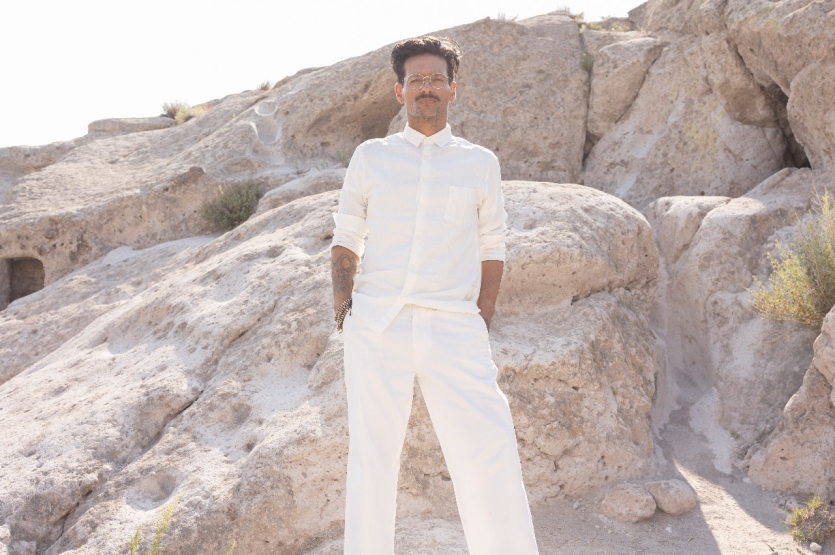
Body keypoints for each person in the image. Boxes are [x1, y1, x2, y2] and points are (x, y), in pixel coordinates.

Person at [330, 35, 539, 555]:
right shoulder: (371, 157)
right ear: (399, 92)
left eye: (436, 79)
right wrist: (344, 310)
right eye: (416, 80)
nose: (427, 87)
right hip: (378, 326)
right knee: (372, 458)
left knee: (489, 450)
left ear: (452, 89)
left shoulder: (479, 163)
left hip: (455, 326)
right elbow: (347, 232)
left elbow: (493, 241)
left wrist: (483, 312)